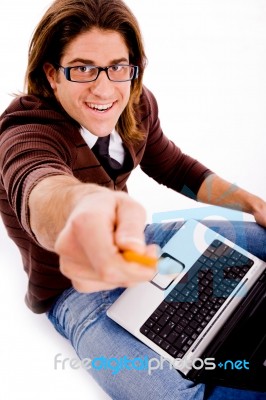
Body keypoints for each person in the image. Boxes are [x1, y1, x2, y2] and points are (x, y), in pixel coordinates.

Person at [0, 0, 265, 398]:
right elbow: (39, 186)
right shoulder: (25, 130)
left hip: (144, 243)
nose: (104, 88)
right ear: (52, 75)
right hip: (74, 294)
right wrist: (82, 212)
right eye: (83, 68)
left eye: (118, 67)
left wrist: (254, 204)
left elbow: (175, 167)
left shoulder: (137, 103)